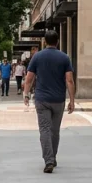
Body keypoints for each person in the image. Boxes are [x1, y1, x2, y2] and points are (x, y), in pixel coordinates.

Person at [23, 30, 76, 173]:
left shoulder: (37, 57)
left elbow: (29, 79)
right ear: (57, 41)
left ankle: (49, 160)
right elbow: (69, 80)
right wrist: (72, 100)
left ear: (45, 42)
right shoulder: (64, 57)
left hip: (42, 99)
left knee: (44, 130)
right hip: (58, 99)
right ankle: (52, 157)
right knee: (55, 130)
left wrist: (26, 95)